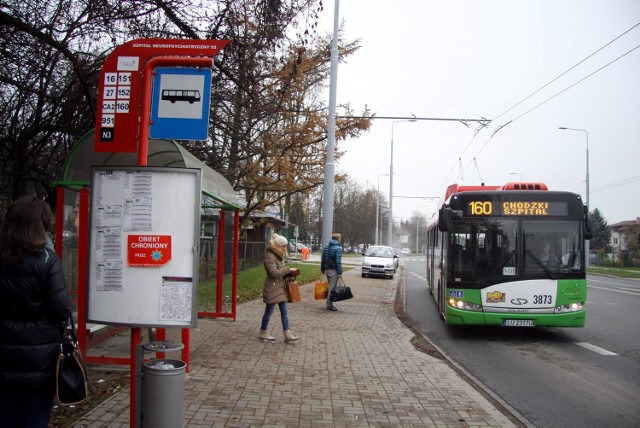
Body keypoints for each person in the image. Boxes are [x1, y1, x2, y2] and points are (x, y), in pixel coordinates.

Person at [0, 195, 72, 427]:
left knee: (5, 414)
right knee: (35, 417)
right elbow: (61, 309)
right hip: (40, 357)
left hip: (3, 353)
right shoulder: (46, 260)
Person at [259, 233, 300, 343]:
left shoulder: (279, 255)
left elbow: (280, 273)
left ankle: (287, 333)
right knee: (268, 313)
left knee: (285, 312)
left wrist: (291, 273)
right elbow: (274, 273)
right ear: (278, 246)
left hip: (281, 288)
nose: (285, 248)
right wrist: (288, 270)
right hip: (272, 288)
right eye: (284, 246)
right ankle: (263, 332)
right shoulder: (270, 256)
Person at [321, 232, 343, 312]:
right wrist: (340, 271)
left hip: (327, 270)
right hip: (333, 270)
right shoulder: (338, 249)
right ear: (338, 239)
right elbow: (338, 261)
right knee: (332, 287)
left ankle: (329, 303)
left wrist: (322, 269)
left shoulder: (326, 247)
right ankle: (329, 304)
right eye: (340, 238)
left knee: (330, 286)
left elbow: (323, 260)